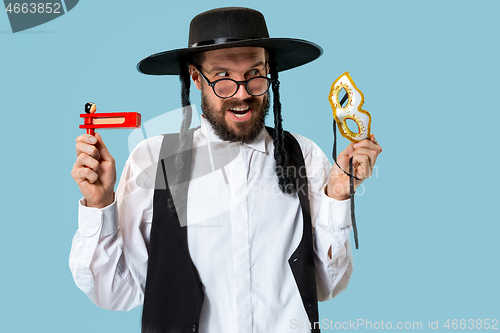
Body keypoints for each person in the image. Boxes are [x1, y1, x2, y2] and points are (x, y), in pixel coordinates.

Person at [70, 7, 382, 333]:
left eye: (254, 74)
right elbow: (114, 293)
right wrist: (99, 204)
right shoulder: (153, 161)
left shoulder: (305, 157)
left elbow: (326, 286)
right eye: (222, 78)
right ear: (195, 77)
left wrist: (338, 195)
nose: (243, 93)